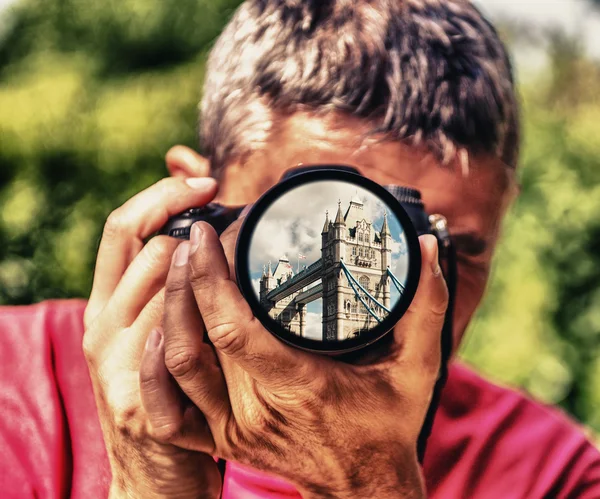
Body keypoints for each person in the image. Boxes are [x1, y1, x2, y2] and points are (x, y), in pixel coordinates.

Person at [1, 0, 599, 498]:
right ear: (191, 206)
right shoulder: (21, 390)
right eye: (309, 228)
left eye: (449, 252)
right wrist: (149, 481)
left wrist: (375, 484)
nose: (400, 288)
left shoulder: (550, 474)